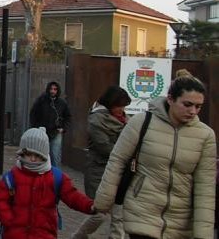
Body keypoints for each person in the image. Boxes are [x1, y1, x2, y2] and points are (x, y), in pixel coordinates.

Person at [94, 75, 217, 239]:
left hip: (181, 221)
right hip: (142, 211)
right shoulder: (141, 122)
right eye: (187, 104)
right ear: (171, 99)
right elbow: (117, 160)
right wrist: (104, 200)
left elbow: (205, 186)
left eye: (198, 106)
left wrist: (204, 234)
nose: (193, 111)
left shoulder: (205, 135)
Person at [0, 128, 96, 239]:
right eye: (29, 154)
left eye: (37, 155)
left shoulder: (56, 177)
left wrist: (89, 205)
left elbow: (72, 196)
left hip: (44, 234)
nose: (33, 159)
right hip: (15, 234)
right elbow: (1, 200)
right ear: (22, 153)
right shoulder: (11, 177)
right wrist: (9, 221)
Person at [72, 85, 131, 239]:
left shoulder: (125, 120)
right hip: (99, 171)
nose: (122, 109)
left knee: (119, 213)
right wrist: (127, 153)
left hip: (120, 172)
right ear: (111, 103)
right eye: (120, 106)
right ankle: (80, 236)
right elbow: (104, 146)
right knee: (99, 213)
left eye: (124, 106)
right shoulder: (96, 120)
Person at [30, 81, 70, 167]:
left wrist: (63, 128)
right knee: (41, 155)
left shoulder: (62, 103)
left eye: (55, 89)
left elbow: (68, 117)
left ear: (57, 90)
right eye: (51, 89)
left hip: (56, 132)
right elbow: (33, 114)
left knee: (55, 156)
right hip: (42, 132)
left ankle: (55, 177)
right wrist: (36, 128)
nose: (53, 91)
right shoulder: (41, 101)